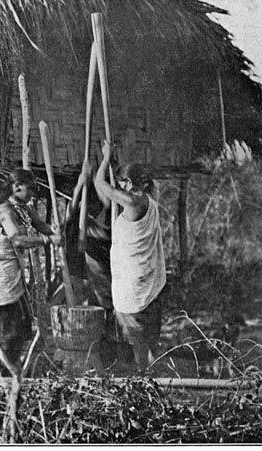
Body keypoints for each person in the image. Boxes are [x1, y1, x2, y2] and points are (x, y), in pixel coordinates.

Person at [0, 168, 63, 374]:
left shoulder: (23, 208)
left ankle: (10, 365)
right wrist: (47, 240)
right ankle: (2, 369)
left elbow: (41, 225)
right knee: (9, 324)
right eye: (29, 188)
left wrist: (54, 231)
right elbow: (17, 239)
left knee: (22, 324)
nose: (32, 193)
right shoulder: (6, 211)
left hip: (12, 270)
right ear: (16, 187)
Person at [93, 141, 166, 373]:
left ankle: (143, 372)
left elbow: (100, 184)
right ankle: (146, 367)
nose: (121, 187)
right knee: (143, 329)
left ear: (130, 183)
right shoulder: (150, 203)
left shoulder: (133, 201)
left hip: (133, 275)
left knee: (135, 331)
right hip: (144, 271)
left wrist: (104, 159)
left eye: (123, 182)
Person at [64, 162, 118, 366]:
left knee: (104, 303)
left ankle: (108, 349)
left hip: (100, 257)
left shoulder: (105, 206)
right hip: (82, 258)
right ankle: (89, 347)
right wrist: (80, 185)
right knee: (85, 304)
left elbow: (106, 218)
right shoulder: (79, 206)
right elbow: (69, 216)